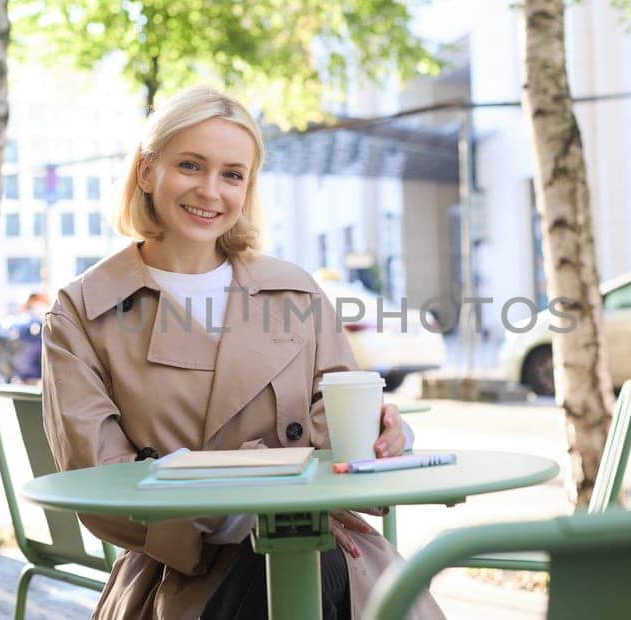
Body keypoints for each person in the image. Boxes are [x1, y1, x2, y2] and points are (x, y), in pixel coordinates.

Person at [40, 86, 443, 620]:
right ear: (145, 173)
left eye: (233, 174)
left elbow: (340, 443)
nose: (211, 191)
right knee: (281, 566)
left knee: (304, 561)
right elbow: (97, 481)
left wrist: (386, 436)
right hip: (177, 574)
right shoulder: (82, 312)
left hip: (328, 553)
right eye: (190, 165)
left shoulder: (294, 292)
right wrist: (251, 510)